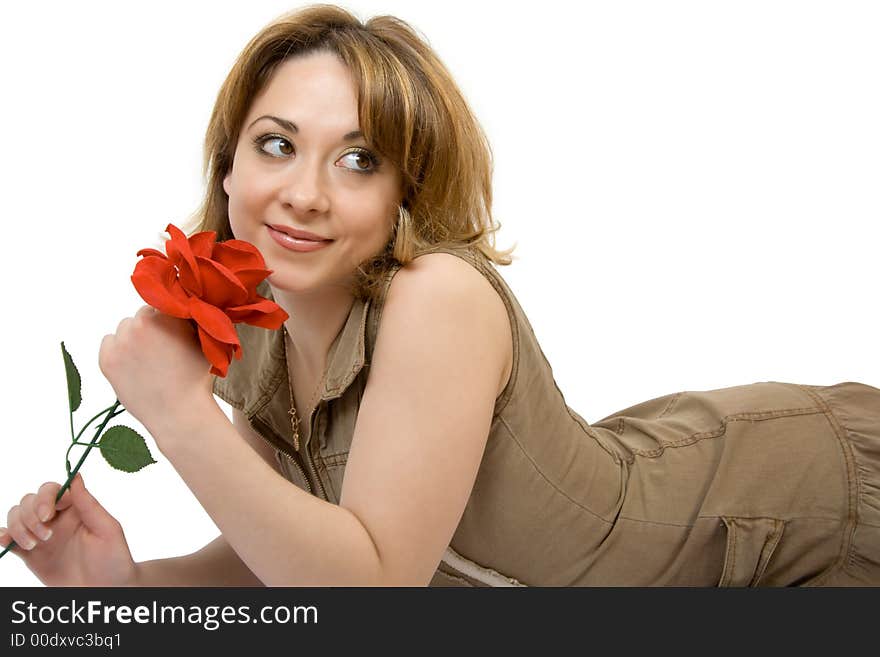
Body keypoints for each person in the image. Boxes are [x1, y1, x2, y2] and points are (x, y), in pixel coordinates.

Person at [2, 4, 878, 587]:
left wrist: (181, 418)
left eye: (358, 160)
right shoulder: (260, 332)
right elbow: (293, 541)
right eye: (276, 145)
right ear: (228, 163)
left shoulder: (439, 297)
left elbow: (369, 596)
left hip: (804, 510)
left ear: (403, 194)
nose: (304, 192)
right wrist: (130, 585)